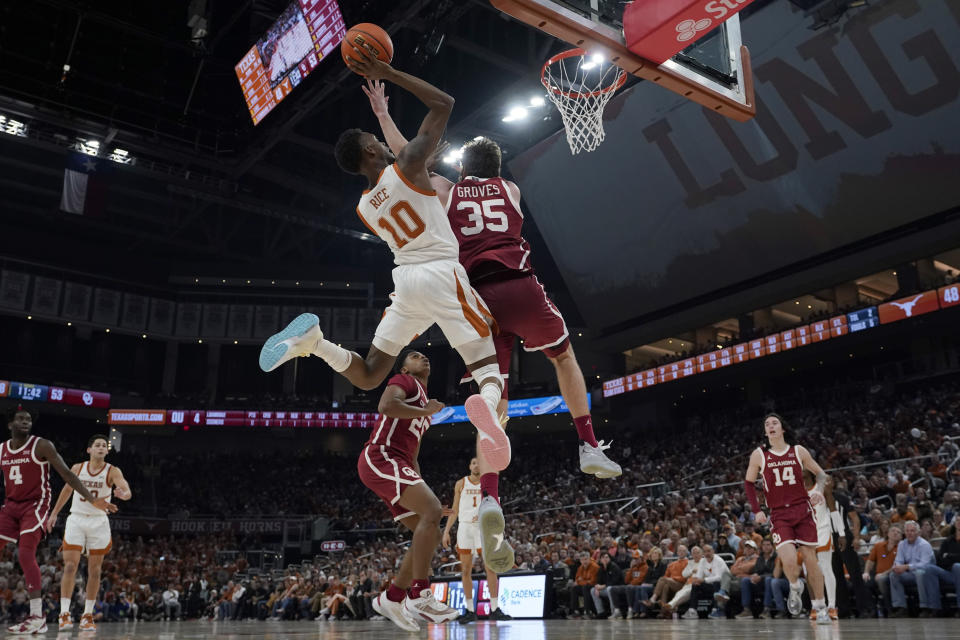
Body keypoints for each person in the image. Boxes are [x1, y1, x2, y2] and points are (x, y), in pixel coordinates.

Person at [260, 45, 513, 576]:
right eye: (377, 142)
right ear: (373, 154)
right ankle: (488, 406)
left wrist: (382, 114)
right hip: (442, 273)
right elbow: (443, 104)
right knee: (488, 361)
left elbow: (405, 148)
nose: (381, 142)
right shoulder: (408, 165)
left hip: (404, 281)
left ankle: (315, 345)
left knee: (374, 371)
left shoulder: (364, 202)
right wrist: (388, 73)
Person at [363, 79, 621, 482]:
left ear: (463, 169)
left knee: (493, 389)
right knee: (564, 357)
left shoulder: (448, 190)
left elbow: (405, 161)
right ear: (497, 170)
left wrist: (384, 115)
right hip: (520, 285)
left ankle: (488, 499)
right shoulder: (512, 189)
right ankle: (588, 443)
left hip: (476, 297)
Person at [355, 350, 459, 631]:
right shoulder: (405, 381)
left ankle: (393, 596)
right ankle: (420, 594)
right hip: (380, 457)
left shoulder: (425, 404)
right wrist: (431, 506)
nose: (424, 358)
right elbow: (387, 406)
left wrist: (426, 498)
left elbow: (413, 456)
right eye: (415, 355)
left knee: (432, 529)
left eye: (426, 356)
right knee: (432, 512)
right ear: (405, 367)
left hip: (400, 463)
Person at [1, 407, 117, 635]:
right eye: (20, 419)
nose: (25, 422)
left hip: (35, 504)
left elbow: (67, 474)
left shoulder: (42, 445)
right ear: (9, 425)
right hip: (10, 505)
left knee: (25, 553)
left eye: (28, 419)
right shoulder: (2, 449)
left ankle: (37, 617)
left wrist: (92, 499)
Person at [743, 413, 830, 624]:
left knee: (811, 560)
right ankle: (794, 586)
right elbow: (748, 483)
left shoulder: (798, 451)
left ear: (783, 429)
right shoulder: (759, 455)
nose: (771, 426)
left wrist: (817, 489)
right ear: (765, 432)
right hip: (779, 514)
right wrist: (757, 510)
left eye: (775, 423)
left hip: (803, 509)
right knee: (789, 560)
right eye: (767, 424)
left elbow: (821, 474)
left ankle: (821, 607)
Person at [47, 433, 133, 632]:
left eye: (104, 445)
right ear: (89, 449)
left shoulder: (112, 470)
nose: (102, 447)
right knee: (70, 566)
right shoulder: (78, 468)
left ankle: (87, 615)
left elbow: (126, 489)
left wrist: (124, 494)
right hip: (76, 518)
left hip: (98, 521)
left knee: (94, 570)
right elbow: (66, 491)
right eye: (98, 445)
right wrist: (54, 514)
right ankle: (64, 613)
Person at [442, 457, 510, 623]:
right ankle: (470, 610)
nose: (476, 465)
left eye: (479, 462)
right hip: (465, 528)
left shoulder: (488, 482)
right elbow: (455, 508)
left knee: (490, 568)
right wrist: (446, 531)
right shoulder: (461, 483)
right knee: (465, 570)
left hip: (483, 528)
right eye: (473, 462)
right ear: (469, 466)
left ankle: (494, 608)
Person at [803, 469, 842, 620]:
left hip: (823, 530)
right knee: (809, 573)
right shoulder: (796, 492)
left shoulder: (821, 487)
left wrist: (841, 533)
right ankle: (816, 606)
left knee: (826, 568)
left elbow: (833, 510)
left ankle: (832, 606)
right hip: (805, 535)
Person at [889, 520, 938, 617]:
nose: (909, 533)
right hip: (911, 574)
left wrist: (907, 566)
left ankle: (925, 607)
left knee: (919, 573)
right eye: (907, 531)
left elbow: (925, 564)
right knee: (893, 575)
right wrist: (897, 567)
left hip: (926, 574)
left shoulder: (924, 545)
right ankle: (901, 607)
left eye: (912, 531)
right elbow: (899, 560)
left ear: (918, 532)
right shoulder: (902, 544)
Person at [863, 524, 902, 615]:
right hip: (877, 574)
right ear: (888, 534)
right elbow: (870, 561)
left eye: (898, 532)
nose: (895, 533)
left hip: (893, 574)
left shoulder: (902, 547)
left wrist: (884, 573)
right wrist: (866, 572)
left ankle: (889, 609)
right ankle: (872, 610)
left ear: (901, 536)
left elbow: (898, 565)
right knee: (865, 582)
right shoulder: (878, 545)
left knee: (882, 580)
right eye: (893, 531)